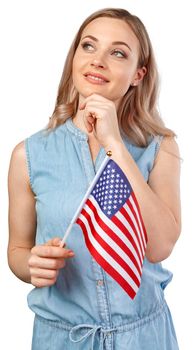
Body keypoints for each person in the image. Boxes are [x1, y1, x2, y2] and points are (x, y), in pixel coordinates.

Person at [7, 7, 181, 350]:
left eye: (118, 53)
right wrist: (31, 266)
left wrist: (115, 143)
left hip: (143, 338)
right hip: (62, 339)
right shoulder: (28, 155)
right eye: (88, 46)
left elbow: (160, 246)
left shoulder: (160, 147)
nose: (98, 60)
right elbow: (17, 249)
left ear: (137, 74)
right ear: (74, 59)